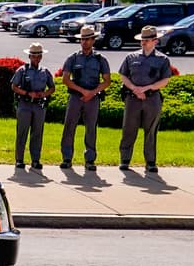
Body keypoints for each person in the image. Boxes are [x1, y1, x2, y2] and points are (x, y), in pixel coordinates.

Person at [118, 25, 172, 173]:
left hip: (151, 98)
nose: (143, 42)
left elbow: (165, 80)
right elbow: (123, 75)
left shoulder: (162, 59)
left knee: (151, 130)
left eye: (147, 40)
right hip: (133, 98)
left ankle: (150, 162)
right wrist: (134, 88)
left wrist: (147, 88)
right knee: (129, 128)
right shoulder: (131, 57)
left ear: (155, 41)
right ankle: (125, 159)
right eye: (142, 40)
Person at [59, 25, 111, 171]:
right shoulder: (73, 58)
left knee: (91, 128)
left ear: (93, 40)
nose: (85, 42)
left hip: (93, 98)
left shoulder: (100, 59)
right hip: (76, 97)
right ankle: (67, 157)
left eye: (88, 39)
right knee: (69, 127)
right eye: (82, 39)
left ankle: (90, 159)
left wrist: (93, 92)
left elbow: (107, 80)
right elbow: (65, 79)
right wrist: (82, 91)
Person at [11, 42, 55, 170]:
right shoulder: (22, 71)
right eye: (34, 55)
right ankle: (19, 159)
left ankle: (35, 159)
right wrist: (27, 93)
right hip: (25, 104)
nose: (36, 58)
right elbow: (13, 86)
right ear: (29, 56)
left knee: (37, 133)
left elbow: (52, 87)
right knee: (22, 132)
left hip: (39, 106)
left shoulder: (45, 72)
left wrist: (44, 94)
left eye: (38, 55)